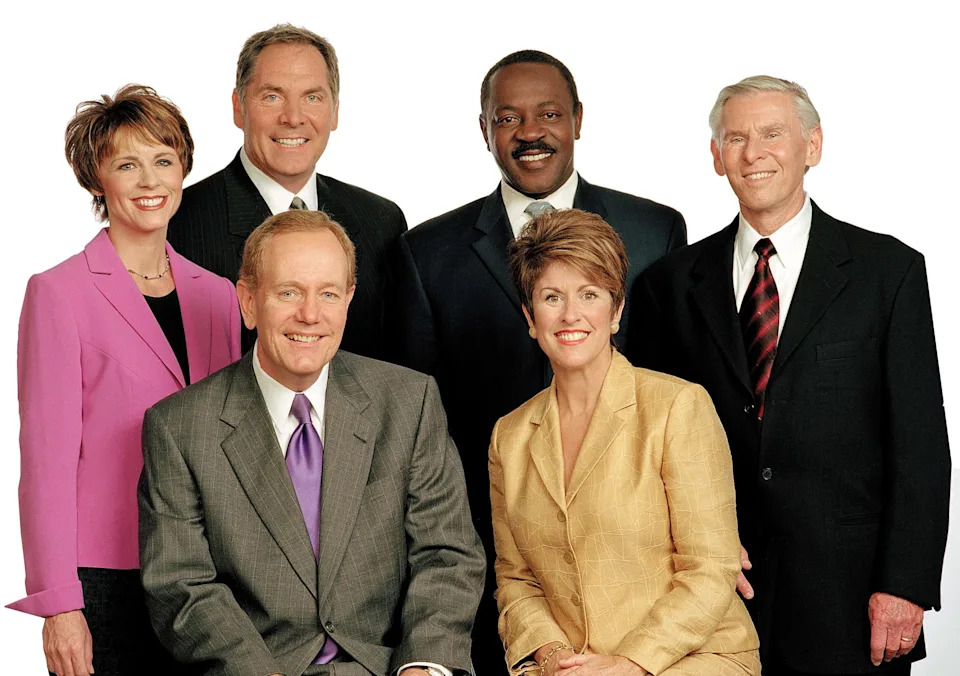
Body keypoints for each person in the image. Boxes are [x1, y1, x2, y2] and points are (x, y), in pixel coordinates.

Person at [629, 76, 950, 675]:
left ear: (813, 145)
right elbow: (645, 444)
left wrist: (904, 586)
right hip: (712, 592)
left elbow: (921, 445)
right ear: (716, 157)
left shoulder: (889, 272)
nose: (754, 154)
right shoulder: (666, 285)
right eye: (736, 138)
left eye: (773, 134)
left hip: (848, 596)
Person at [387, 50, 686, 673]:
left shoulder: (655, 231)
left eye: (549, 113)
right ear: (484, 129)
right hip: (491, 553)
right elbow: (416, 418)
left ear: (578, 119)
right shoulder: (426, 252)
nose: (530, 131)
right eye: (508, 117)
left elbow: (678, 391)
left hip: (636, 558)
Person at [139, 210, 485, 676]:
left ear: (349, 300)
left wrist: (422, 666)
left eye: (328, 294)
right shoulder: (179, 427)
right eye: (288, 292)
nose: (310, 314)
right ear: (247, 301)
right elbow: (181, 587)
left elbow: (447, 554)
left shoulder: (409, 402)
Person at [7, 85, 241, 676]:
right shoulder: (58, 293)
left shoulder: (217, 295)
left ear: (184, 168)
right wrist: (59, 605)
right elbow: (46, 463)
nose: (149, 180)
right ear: (96, 181)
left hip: (206, 572)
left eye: (163, 160)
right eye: (126, 164)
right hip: (106, 575)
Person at [489, 208, 759, 676]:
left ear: (615, 311)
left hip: (690, 658)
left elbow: (711, 569)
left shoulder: (678, 407)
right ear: (530, 317)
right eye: (551, 297)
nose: (570, 314)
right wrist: (555, 658)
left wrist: (628, 664)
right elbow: (516, 581)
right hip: (569, 666)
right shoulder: (508, 437)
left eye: (588, 294)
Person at [168, 23, 406, 358]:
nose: (293, 118)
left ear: (335, 110)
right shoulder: (179, 224)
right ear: (239, 107)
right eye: (272, 97)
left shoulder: (381, 221)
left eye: (312, 97)